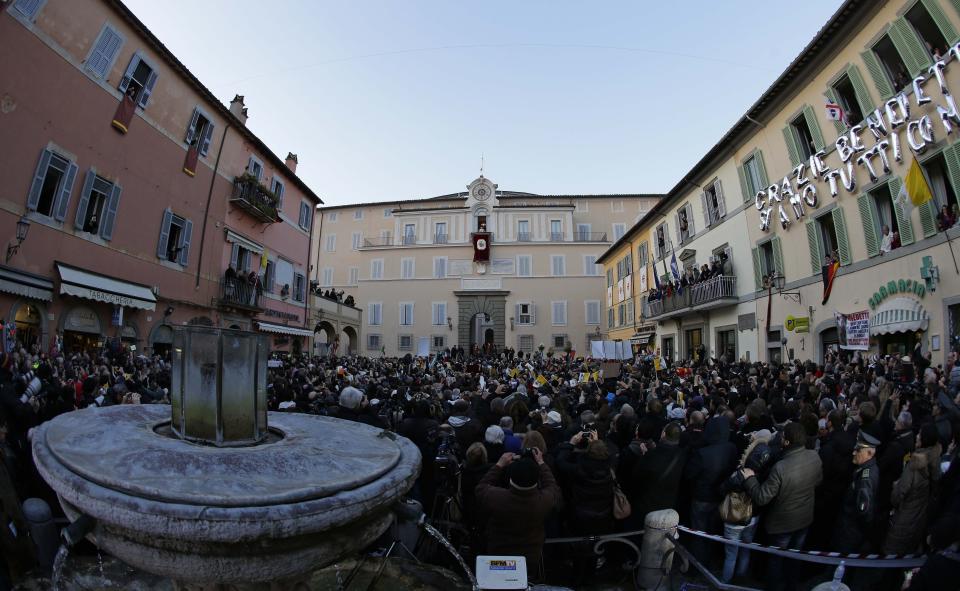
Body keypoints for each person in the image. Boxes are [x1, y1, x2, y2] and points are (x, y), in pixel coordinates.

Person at [742, 422, 823, 591]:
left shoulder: (781, 467)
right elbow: (817, 481)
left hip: (783, 524)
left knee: (776, 561)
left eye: (783, 436)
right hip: (804, 520)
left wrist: (750, 479)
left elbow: (762, 497)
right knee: (794, 557)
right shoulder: (814, 456)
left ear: (786, 442)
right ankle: (791, 586)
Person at [475, 448, 562, 577]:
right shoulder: (544, 500)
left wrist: (499, 465)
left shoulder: (497, 497)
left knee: (498, 581)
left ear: (510, 478)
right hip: (529, 557)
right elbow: (552, 485)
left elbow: (481, 487)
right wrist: (541, 462)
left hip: (499, 554)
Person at [884, 424, 942, 555]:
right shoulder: (935, 460)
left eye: (919, 434)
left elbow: (899, 494)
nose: (917, 436)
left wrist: (895, 488)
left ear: (924, 439)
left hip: (904, 517)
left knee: (892, 554)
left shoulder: (914, 465)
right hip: (919, 517)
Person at [832, 430, 880, 554]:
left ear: (869, 453)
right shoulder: (867, 469)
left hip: (850, 532)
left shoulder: (866, 478)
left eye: (858, 450)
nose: (854, 452)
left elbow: (864, 512)